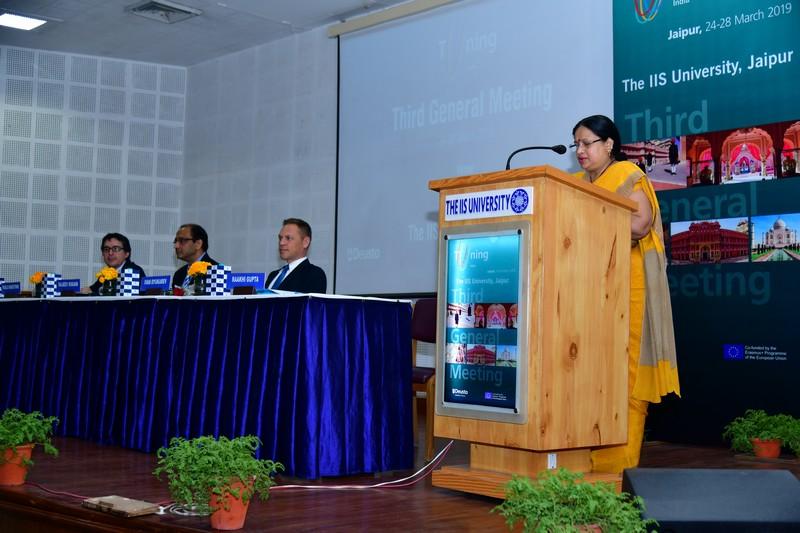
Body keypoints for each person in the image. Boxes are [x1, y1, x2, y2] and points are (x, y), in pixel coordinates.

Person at [571, 114, 680, 474]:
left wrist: (590, 218)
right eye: (576, 144)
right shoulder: (572, 184)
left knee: (627, 374)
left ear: (608, 145)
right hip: (587, 289)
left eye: (587, 143)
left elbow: (640, 224)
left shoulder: (627, 174)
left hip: (628, 287)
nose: (580, 150)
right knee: (591, 371)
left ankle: (618, 467)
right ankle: (582, 454)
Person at [265, 218, 327, 293]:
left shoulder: (314, 274)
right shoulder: (273, 275)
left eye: (288, 238)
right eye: (280, 238)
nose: (281, 243)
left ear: (305, 242)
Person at [172, 223, 218, 289]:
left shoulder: (216, 271)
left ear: (198, 244)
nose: (176, 246)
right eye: (175, 241)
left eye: (182, 241)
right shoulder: (179, 274)